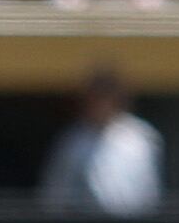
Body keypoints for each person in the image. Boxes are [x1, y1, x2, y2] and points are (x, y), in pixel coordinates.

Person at [40, 68, 164, 215]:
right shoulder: (73, 140)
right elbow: (56, 191)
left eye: (106, 98)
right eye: (95, 99)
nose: (101, 105)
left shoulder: (141, 136)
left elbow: (150, 190)